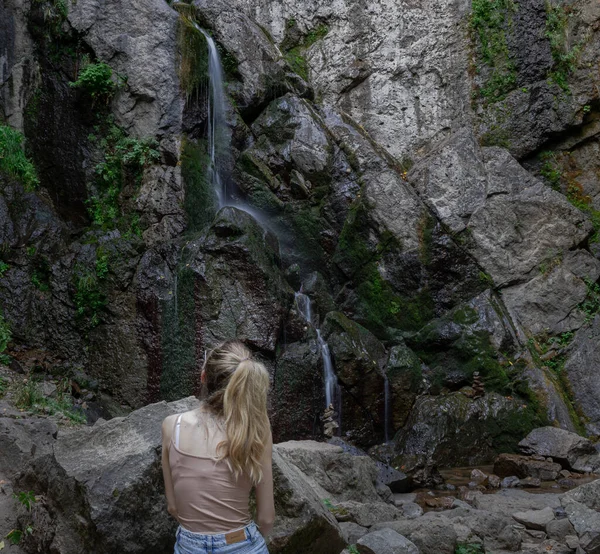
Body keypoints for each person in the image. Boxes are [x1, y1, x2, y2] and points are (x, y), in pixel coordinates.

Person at [161, 340, 275, 554]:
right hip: (243, 544)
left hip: (189, 546)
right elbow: (266, 518)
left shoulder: (171, 426)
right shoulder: (257, 431)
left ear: (203, 377)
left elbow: (173, 507)